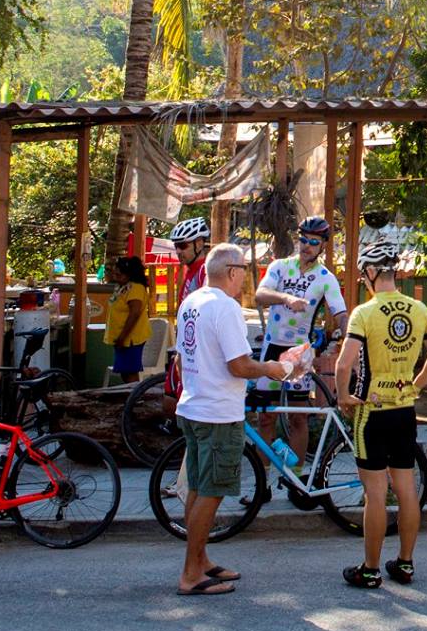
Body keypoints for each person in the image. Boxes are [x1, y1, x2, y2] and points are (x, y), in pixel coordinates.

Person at [173, 241, 293, 596]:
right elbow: (239, 365)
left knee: (198, 488)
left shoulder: (191, 301)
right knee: (211, 492)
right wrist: (270, 368)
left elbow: (180, 359)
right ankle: (191, 575)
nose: (246, 277)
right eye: (243, 269)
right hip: (217, 413)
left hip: (193, 407)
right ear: (231, 272)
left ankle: (200, 560)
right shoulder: (225, 308)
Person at [333, 241, 427, 590]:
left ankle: (370, 570)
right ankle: (406, 563)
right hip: (404, 410)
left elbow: (344, 364)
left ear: (370, 272)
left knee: (375, 492)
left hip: (372, 411)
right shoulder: (418, 308)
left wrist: (343, 396)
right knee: (406, 488)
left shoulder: (364, 313)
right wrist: (416, 385)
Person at [253, 216, 349, 460]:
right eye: (303, 240)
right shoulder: (280, 266)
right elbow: (260, 295)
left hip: (299, 353)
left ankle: (296, 475)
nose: (307, 246)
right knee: (265, 417)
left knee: (298, 418)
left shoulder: (325, 277)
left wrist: (349, 338)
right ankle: (262, 476)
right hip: (272, 349)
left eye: (314, 242)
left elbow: (341, 313)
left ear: (323, 245)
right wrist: (286, 298)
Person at [105, 257, 151, 384]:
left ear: (129, 275)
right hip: (122, 338)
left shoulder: (136, 288)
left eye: (119, 275)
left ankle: (134, 394)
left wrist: (122, 336)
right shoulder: (123, 286)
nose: (115, 277)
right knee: (124, 371)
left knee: (130, 372)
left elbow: (134, 313)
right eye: (115, 274)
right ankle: (130, 393)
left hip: (130, 338)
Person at [171, 216, 211, 297]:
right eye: (176, 246)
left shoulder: (205, 272)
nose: (178, 251)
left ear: (199, 244)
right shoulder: (191, 269)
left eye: (182, 245)